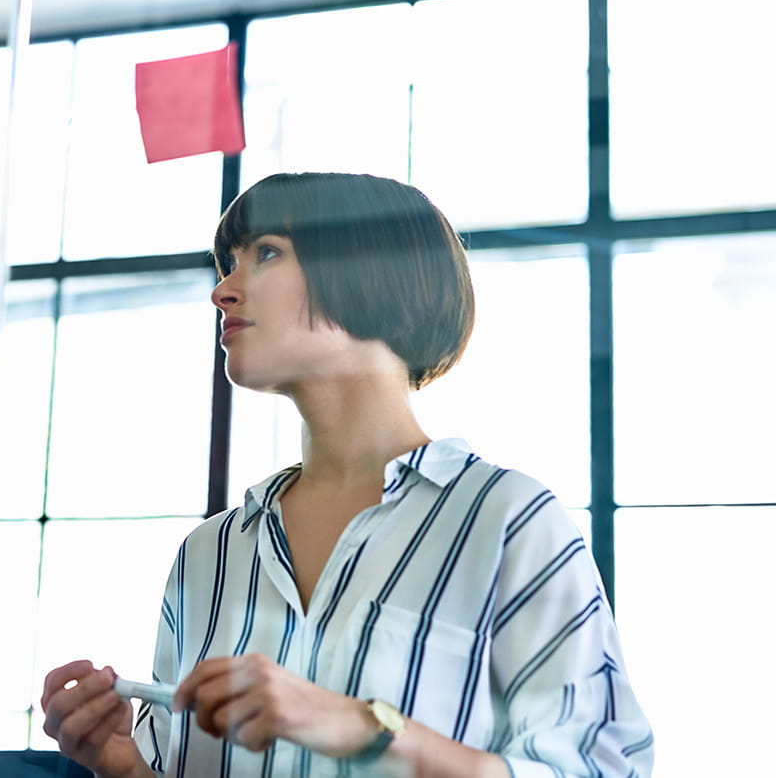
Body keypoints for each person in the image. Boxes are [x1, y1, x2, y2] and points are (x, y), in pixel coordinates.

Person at [41, 173, 652, 777]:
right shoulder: (209, 554)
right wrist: (122, 768)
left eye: (267, 253)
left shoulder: (508, 521)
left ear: (370, 270)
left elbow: (598, 770)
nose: (222, 290)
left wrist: (367, 727)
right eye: (229, 261)